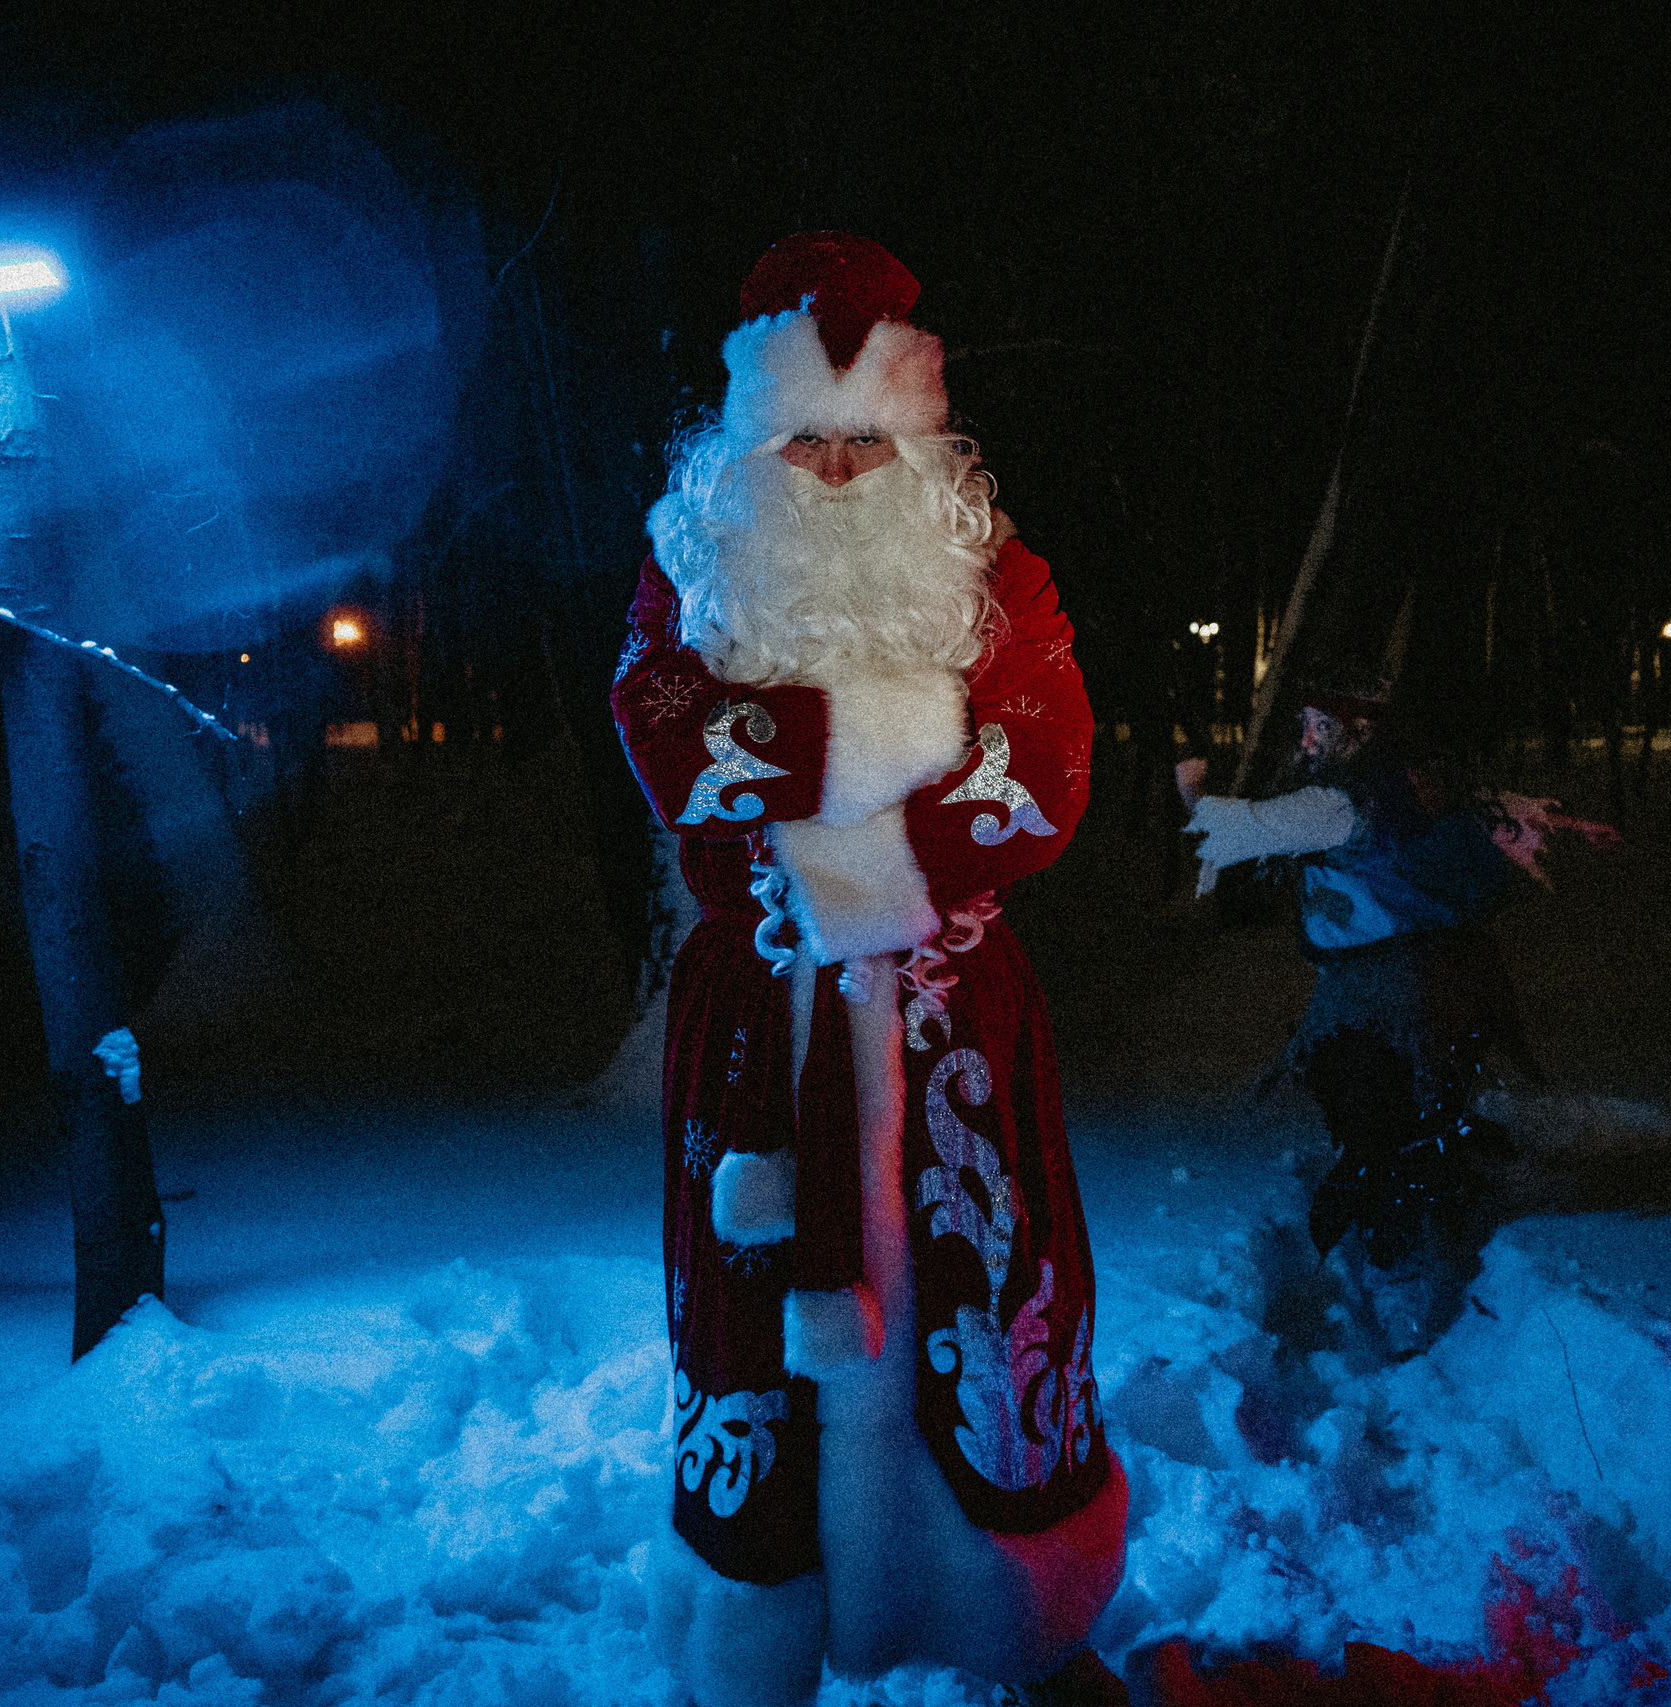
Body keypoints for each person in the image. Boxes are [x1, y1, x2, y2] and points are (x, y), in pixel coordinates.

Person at [612, 233, 1126, 1707]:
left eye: (866, 440)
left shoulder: (998, 571)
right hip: (758, 1028)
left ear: (917, 446)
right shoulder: (685, 576)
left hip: (952, 1012)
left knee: (990, 1287)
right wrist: (908, 740)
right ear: (745, 446)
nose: (836, 470)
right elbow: (669, 746)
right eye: (802, 439)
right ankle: (755, 1631)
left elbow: (1048, 768)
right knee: (750, 1319)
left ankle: (1016, 1612)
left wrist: (812, 791)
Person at [1182, 675, 1613, 1271]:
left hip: (1378, 992)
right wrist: (1548, 820)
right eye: (1304, 723)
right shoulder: (1404, 781)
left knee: (1371, 1121)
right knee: (1412, 1107)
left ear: (1356, 735)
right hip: (1439, 972)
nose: (1306, 739)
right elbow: (1484, 802)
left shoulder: (1334, 802)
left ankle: (1394, 1253)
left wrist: (1190, 787)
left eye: (1321, 727)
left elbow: (1234, 830)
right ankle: (1421, 1223)